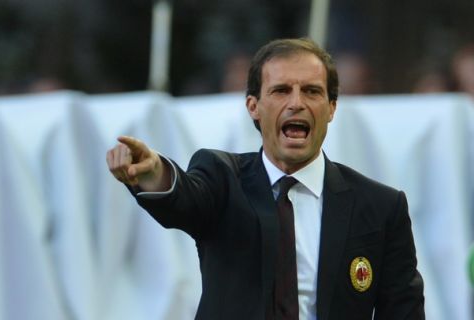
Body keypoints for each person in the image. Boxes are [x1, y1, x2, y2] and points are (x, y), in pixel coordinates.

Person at [106, 38, 425, 319]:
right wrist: (154, 172)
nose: (296, 102)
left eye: (312, 91)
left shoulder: (382, 206)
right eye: (281, 90)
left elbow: (403, 311)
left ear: (331, 107)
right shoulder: (222, 178)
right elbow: (184, 198)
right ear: (253, 106)